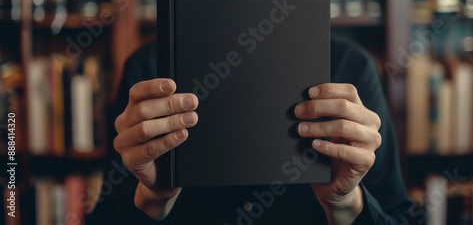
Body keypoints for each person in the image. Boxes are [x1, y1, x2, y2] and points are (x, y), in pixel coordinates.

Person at [87, 36, 413, 224]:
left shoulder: (349, 68)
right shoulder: (150, 71)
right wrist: (153, 198)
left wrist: (346, 203)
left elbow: (398, 213)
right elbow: (106, 215)